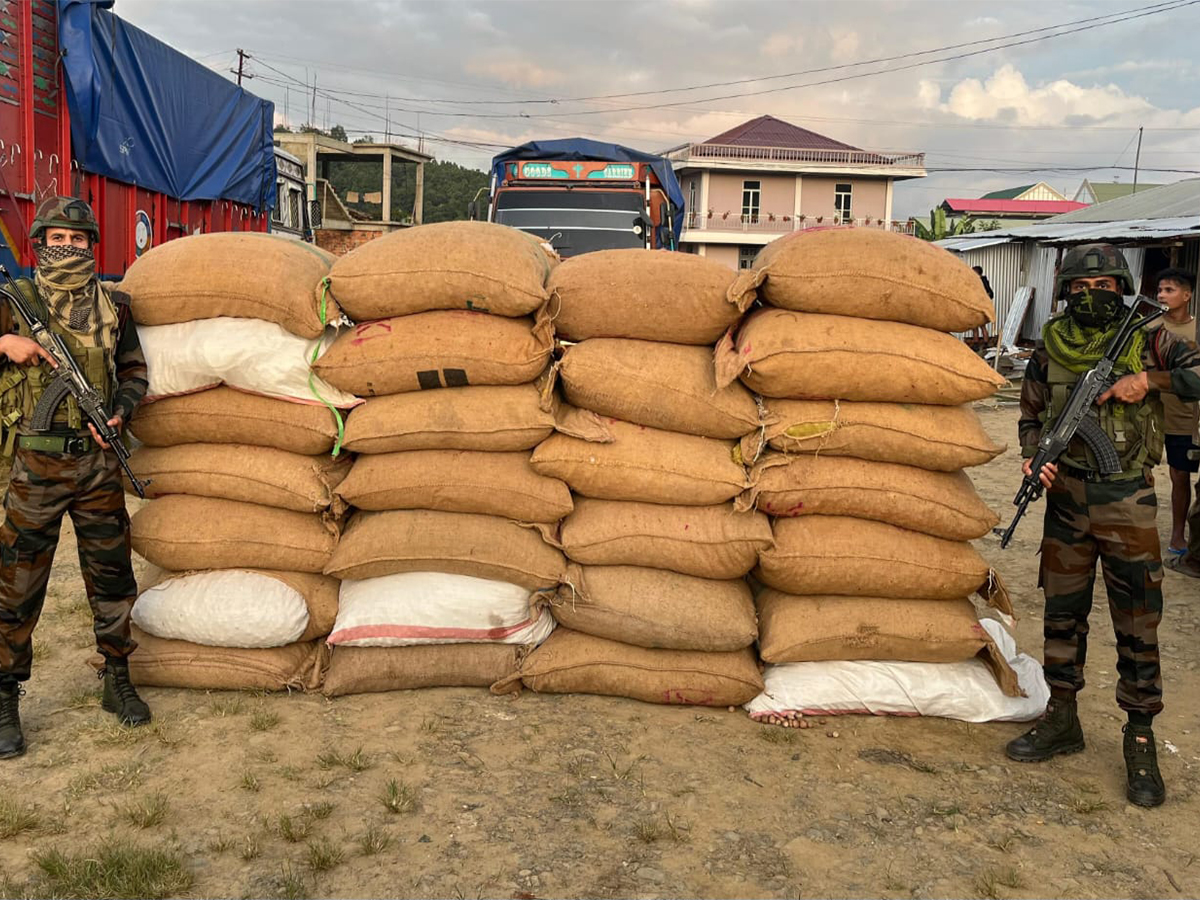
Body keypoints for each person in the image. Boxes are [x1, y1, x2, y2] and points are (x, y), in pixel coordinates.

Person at [1006, 243, 1200, 808]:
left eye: (1105, 287)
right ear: (1067, 293)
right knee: (1062, 614)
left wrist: (1150, 382)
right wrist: (1032, 457)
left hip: (1127, 499)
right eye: (1082, 289)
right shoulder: (1050, 347)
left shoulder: (1153, 338)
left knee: (1137, 618)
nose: (1093, 296)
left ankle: (1139, 736)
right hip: (1065, 499)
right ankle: (1062, 717)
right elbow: (1030, 414)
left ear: (1122, 289)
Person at [0, 196, 150, 759]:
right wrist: (5, 342)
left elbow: (133, 371)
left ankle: (117, 677)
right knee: (17, 583)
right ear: (39, 243)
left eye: (78, 239)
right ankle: (5, 695)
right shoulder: (15, 301)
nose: (67, 247)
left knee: (112, 574)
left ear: (92, 245)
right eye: (57, 239)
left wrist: (121, 413)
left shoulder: (115, 307)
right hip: (35, 466)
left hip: (97, 465)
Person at [1153, 268, 1198, 556]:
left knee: (1181, 476)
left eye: (1169, 290)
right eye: (1160, 290)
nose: (1161, 295)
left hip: (1185, 418)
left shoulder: (1196, 331)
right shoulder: (1150, 328)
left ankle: (1179, 535)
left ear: (1187, 295)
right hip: (1151, 415)